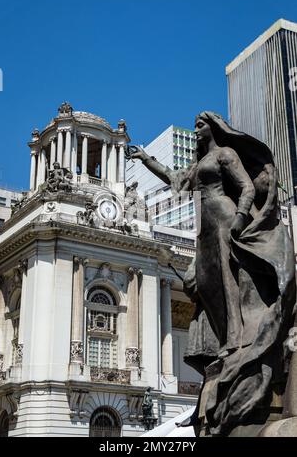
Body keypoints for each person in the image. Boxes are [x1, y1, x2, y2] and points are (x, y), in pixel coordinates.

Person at [126, 111, 296, 436]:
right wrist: (146, 159)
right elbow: (175, 179)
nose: (196, 129)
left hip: (222, 216)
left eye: (201, 124)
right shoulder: (198, 164)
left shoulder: (225, 155)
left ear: (214, 126)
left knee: (228, 281)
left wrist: (241, 216)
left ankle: (235, 342)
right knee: (206, 284)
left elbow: (246, 186)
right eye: (195, 126)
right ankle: (226, 342)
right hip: (204, 227)